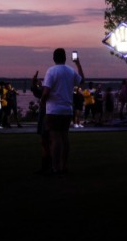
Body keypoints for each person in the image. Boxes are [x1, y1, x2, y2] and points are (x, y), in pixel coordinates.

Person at [40, 48, 85, 176]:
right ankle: (64, 166)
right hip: (67, 110)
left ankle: (55, 167)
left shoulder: (51, 71)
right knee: (64, 138)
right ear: (65, 58)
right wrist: (78, 63)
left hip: (54, 110)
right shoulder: (70, 71)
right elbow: (81, 80)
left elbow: (47, 91)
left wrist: (42, 101)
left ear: (54, 58)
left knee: (55, 139)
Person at [30, 71, 51, 174]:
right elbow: (37, 92)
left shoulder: (49, 90)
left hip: (47, 116)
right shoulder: (45, 90)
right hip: (45, 116)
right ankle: (46, 166)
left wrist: (38, 84)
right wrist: (35, 84)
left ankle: (49, 166)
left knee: (47, 141)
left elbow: (42, 93)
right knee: (44, 141)